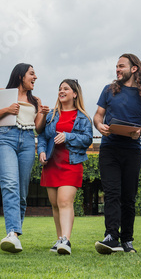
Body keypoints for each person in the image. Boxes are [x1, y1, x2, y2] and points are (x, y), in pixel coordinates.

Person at [0, 63, 49, 253]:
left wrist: (42, 114)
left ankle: (15, 236)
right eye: (32, 73)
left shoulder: (35, 100)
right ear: (21, 75)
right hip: (5, 138)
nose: (35, 77)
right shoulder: (2, 94)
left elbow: (38, 128)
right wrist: (6, 110)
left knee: (21, 190)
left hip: (28, 141)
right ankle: (11, 233)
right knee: (9, 184)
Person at [93, 53, 141, 254]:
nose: (117, 70)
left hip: (132, 150)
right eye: (116, 67)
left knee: (128, 197)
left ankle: (127, 240)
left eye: (121, 66)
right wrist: (100, 126)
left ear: (134, 68)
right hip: (109, 148)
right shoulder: (109, 90)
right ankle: (111, 237)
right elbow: (98, 116)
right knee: (112, 194)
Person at [37, 79, 93, 255]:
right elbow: (43, 137)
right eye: (60, 89)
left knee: (65, 202)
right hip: (51, 164)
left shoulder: (83, 117)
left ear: (75, 94)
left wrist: (68, 136)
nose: (61, 91)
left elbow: (88, 139)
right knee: (55, 205)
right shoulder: (51, 115)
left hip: (71, 164)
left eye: (66, 89)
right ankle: (59, 239)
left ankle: (66, 240)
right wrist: (41, 152)